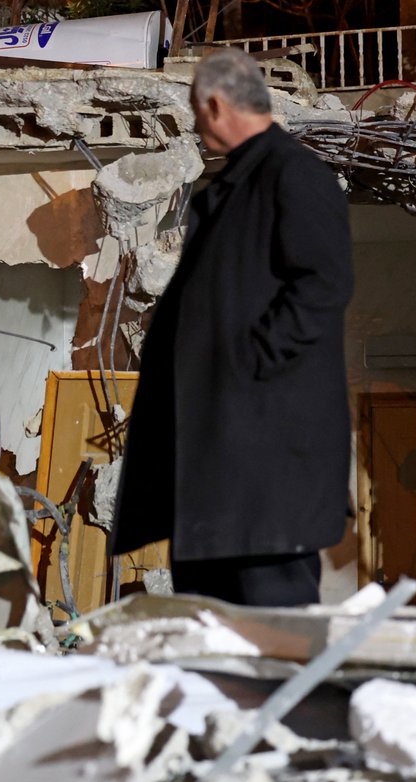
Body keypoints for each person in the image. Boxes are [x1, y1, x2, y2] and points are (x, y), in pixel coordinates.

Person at [109, 48, 353, 607]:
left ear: (216, 105)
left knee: (272, 646)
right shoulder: (235, 188)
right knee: (213, 645)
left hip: (262, 476)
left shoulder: (293, 175)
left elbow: (323, 284)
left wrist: (244, 368)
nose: (196, 127)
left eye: (196, 113)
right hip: (220, 480)